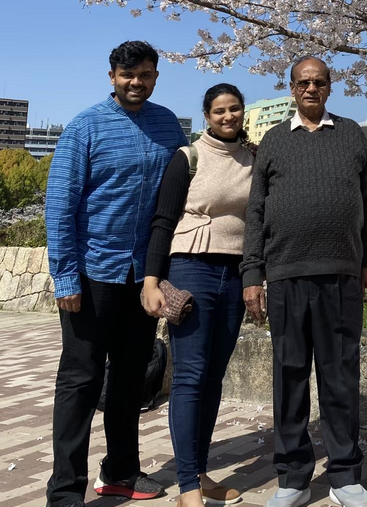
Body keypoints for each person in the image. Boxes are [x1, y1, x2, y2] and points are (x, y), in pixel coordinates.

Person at [44, 40, 187, 507]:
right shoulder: (85, 126)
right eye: (127, 75)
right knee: (80, 382)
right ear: (112, 76)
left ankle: (121, 471)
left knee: (131, 379)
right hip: (92, 274)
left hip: (142, 278)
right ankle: (65, 491)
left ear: (155, 76)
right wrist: (65, 277)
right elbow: (60, 205)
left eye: (144, 74)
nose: (136, 83)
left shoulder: (168, 124)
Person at [240, 56, 367, 507]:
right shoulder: (274, 141)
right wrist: (252, 272)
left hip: (341, 274)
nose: (311, 89)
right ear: (292, 88)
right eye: (303, 83)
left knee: (340, 378)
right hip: (285, 275)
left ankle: (344, 476)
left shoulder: (354, 135)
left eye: (319, 82)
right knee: (290, 376)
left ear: (330, 87)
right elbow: (256, 210)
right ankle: (293, 477)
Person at [142, 83, 254, 507]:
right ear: (207, 115)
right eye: (219, 111)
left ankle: (201, 472)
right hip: (191, 268)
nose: (228, 117)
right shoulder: (187, 158)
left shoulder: (254, 158)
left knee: (213, 377)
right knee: (190, 375)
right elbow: (163, 219)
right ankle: (187, 485)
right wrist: (152, 280)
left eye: (234, 109)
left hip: (235, 270)